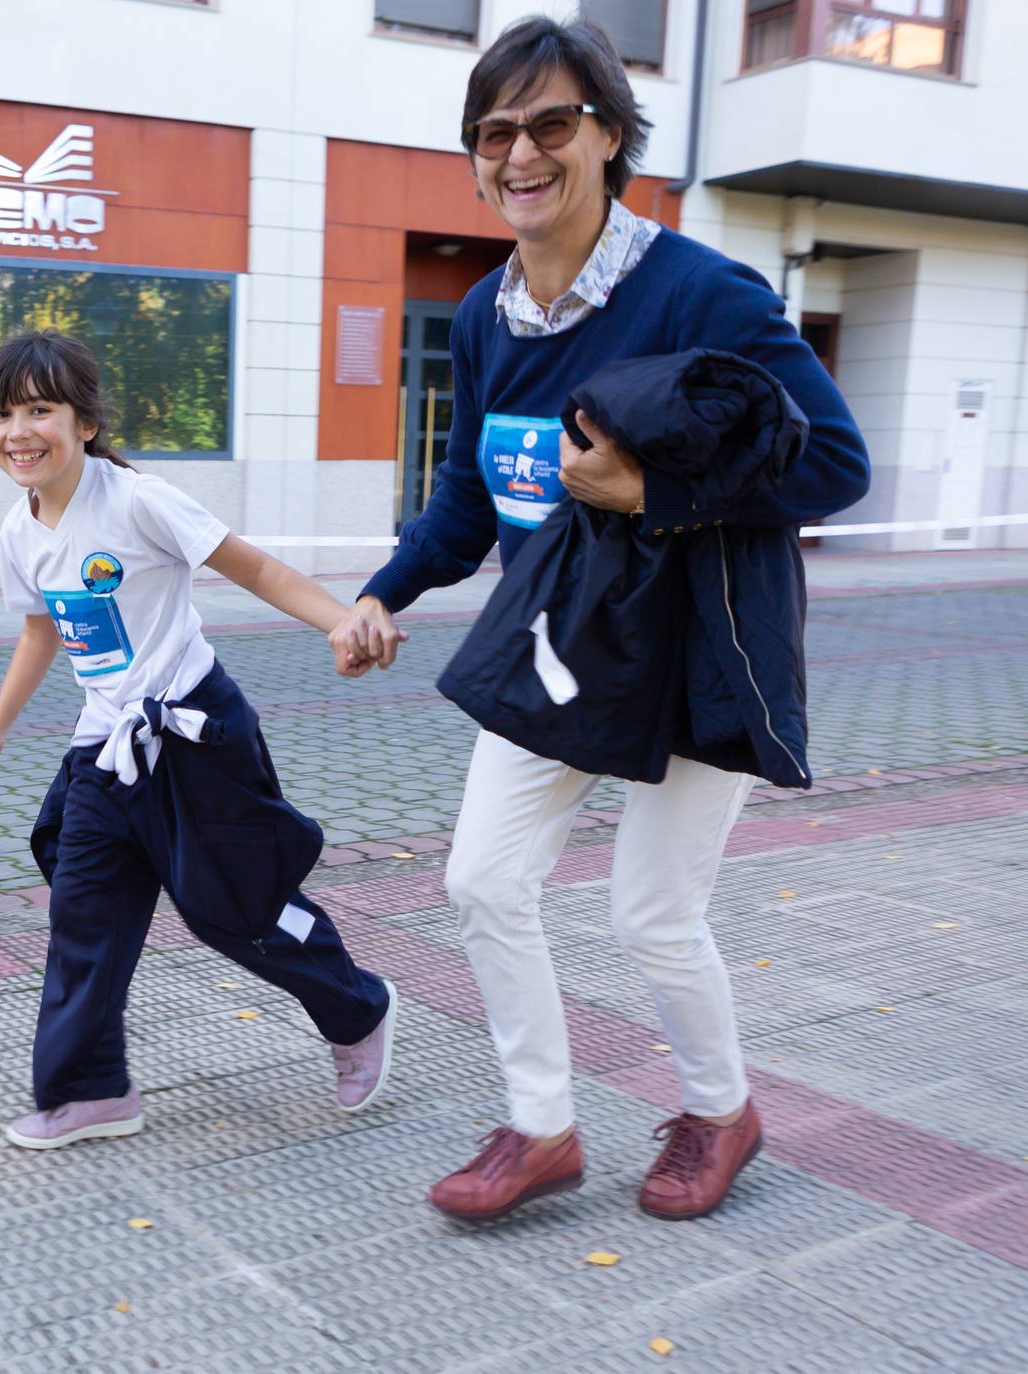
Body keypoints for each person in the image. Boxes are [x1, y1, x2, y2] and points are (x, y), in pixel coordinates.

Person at [331, 16, 869, 1222]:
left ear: (610, 137)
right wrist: (384, 591)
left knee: (652, 909)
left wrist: (654, 493)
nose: (521, 152)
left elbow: (835, 464)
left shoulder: (702, 293)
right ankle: (541, 1129)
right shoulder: (484, 315)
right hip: (560, 641)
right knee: (481, 878)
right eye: (494, 133)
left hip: (696, 645)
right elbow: (471, 493)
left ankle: (721, 1112)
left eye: (551, 124)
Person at [0, 330, 398, 1150]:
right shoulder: (18, 531)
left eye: (40, 409)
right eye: (1, 414)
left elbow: (256, 569)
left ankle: (357, 1006)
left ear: (83, 422)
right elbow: (39, 633)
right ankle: (90, 1091)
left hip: (196, 735)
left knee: (232, 912)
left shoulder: (135, 500)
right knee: (83, 910)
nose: (18, 430)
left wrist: (344, 622)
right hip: (106, 749)